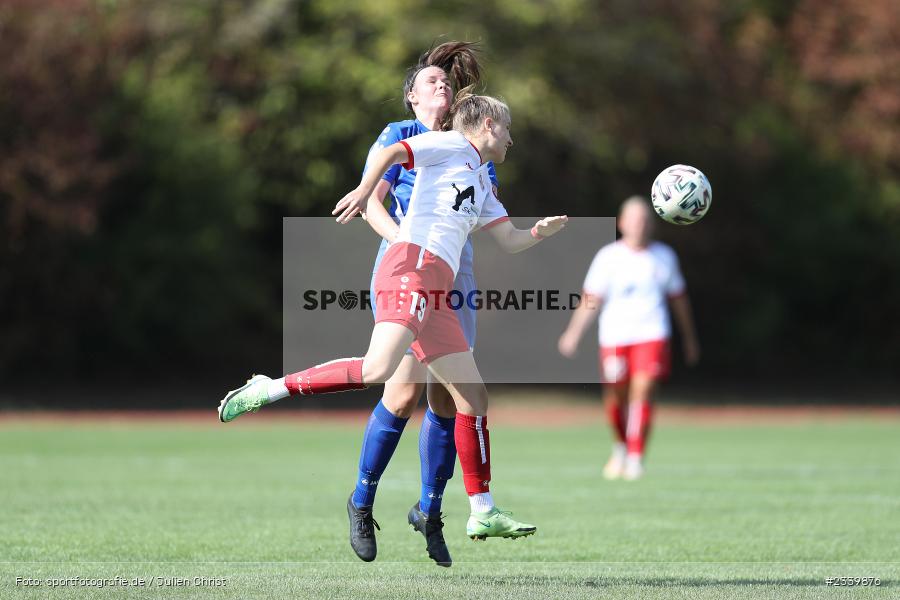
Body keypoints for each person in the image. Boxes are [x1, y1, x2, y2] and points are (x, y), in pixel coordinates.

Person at [219, 91, 567, 554]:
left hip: (438, 289)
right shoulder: (449, 144)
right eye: (506, 127)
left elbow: (507, 239)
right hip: (410, 266)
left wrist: (536, 234)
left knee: (473, 396)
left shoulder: (481, 177)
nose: (511, 137)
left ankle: (482, 511)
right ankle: (271, 387)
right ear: (485, 125)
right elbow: (391, 153)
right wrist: (366, 191)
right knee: (377, 371)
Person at [348, 42, 493, 568]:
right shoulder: (397, 134)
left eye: (446, 82)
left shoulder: (470, 142)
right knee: (401, 390)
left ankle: (430, 510)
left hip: (456, 273)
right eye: (430, 82)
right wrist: (405, 242)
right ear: (411, 96)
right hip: (405, 266)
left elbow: (478, 214)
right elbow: (371, 204)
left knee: (449, 397)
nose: (443, 87)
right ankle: (362, 502)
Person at [558, 196, 699, 480]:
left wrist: (689, 338)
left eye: (645, 219)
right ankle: (620, 447)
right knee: (615, 396)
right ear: (622, 223)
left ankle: (636, 456)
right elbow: (591, 299)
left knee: (643, 388)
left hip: (652, 333)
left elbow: (679, 299)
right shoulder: (608, 257)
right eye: (634, 219)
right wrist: (573, 333)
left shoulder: (664, 257)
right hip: (615, 336)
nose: (640, 225)